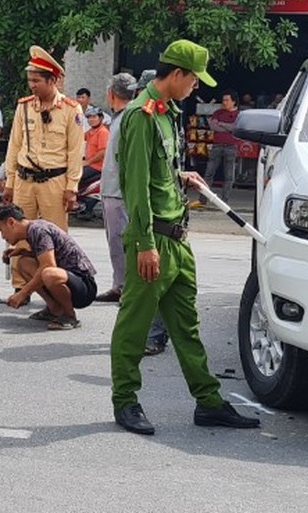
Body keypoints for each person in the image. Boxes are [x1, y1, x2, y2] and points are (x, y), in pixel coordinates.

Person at [110, 39, 260, 436]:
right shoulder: (141, 117)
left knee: (186, 327)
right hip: (153, 240)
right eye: (194, 80)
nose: (198, 87)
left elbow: (157, 171)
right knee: (135, 326)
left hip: (177, 239)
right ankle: (125, 401)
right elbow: (135, 184)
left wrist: (180, 175)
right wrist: (144, 244)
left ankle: (208, 402)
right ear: (176, 74)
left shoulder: (168, 113)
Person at [96, 73, 171, 355]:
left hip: (129, 199)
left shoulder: (144, 116)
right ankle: (120, 287)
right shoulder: (130, 116)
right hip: (116, 194)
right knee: (124, 257)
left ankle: (154, 331)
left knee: (144, 269)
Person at [2, 45, 85, 230]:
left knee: (55, 239)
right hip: (24, 182)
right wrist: (10, 182)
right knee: (20, 239)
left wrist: (71, 188)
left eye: (36, 80)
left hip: (54, 183)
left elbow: (75, 152)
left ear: (52, 80)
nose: (32, 85)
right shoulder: (24, 106)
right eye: (30, 80)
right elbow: (14, 146)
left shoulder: (71, 109)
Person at [0, 204, 97, 330]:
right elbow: (49, 255)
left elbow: (48, 264)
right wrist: (23, 251)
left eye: (1, 230)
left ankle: (70, 316)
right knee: (24, 263)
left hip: (84, 286)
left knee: (48, 273)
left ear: (11, 222)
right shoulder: (32, 230)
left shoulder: (38, 230)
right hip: (67, 278)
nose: (2, 236)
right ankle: (54, 309)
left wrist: (23, 293)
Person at [205, 93, 241, 204]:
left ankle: (225, 200)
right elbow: (213, 126)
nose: (224, 102)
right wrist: (227, 127)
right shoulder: (217, 112)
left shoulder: (239, 114)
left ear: (234, 101)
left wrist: (221, 124)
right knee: (209, 173)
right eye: (223, 100)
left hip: (231, 146)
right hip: (217, 145)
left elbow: (235, 128)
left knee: (229, 175)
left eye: (227, 100)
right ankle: (203, 199)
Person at [81, 107, 109, 191]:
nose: (91, 119)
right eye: (89, 117)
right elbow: (78, 138)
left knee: (73, 175)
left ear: (100, 118)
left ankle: (74, 199)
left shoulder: (102, 132)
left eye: (94, 117)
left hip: (97, 166)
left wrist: (87, 162)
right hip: (90, 163)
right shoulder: (91, 131)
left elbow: (102, 153)